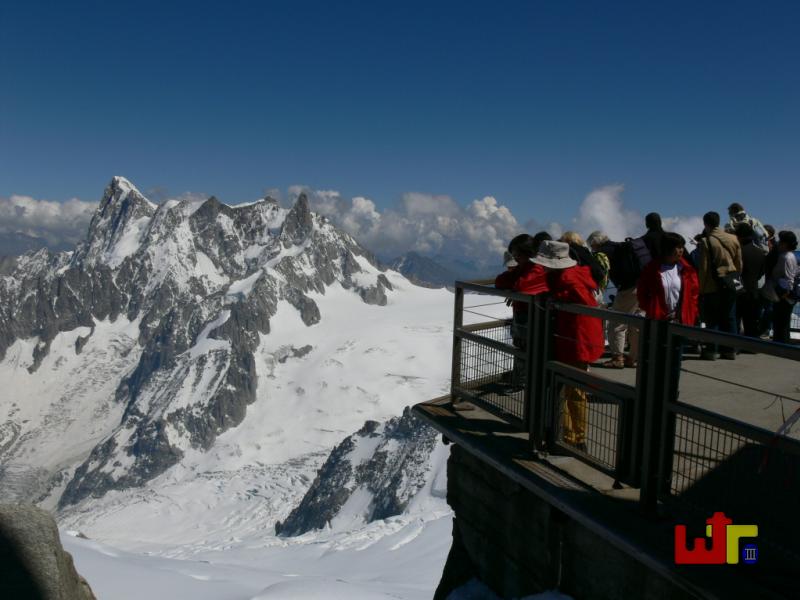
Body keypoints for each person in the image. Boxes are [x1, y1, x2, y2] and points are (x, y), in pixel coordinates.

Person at [532, 240, 605, 452]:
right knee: (571, 387)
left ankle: (572, 438)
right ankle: (571, 436)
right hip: (576, 336)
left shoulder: (567, 279)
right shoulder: (574, 274)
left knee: (572, 389)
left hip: (575, 338)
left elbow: (584, 302)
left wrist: (556, 298)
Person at [495, 233, 551, 388]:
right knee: (522, 348)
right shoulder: (525, 268)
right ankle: (522, 379)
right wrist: (515, 287)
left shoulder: (537, 268)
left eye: (517, 255)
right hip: (524, 316)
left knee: (526, 349)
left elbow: (522, 286)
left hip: (532, 317)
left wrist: (515, 288)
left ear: (527, 253)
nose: (515, 258)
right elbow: (500, 281)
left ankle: (523, 382)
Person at [697, 211, 743, 360]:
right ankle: (730, 350)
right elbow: (739, 264)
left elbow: (704, 269)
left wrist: (701, 289)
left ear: (705, 224)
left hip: (713, 286)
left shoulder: (706, 241)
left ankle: (712, 350)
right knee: (730, 317)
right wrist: (734, 278)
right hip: (731, 283)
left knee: (713, 319)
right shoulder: (733, 238)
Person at [637, 233, 699, 325]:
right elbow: (642, 293)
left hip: (682, 320)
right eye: (678, 247)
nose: (681, 250)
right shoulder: (651, 270)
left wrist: (691, 311)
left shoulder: (687, 270)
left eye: (682, 247)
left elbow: (694, 293)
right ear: (668, 248)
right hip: (658, 320)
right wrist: (652, 309)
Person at [762, 231, 798, 344]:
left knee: (780, 324)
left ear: (785, 244)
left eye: (781, 241)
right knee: (783, 324)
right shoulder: (790, 256)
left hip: (783, 296)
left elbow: (788, 280)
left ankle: (780, 346)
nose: (779, 243)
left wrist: (783, 295)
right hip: (784, 295)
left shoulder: (785, 257)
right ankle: (782, 345)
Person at [734, 223, 766, 337]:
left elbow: (734, 273)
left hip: (739, 292)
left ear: (739, 236)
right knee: (751, 323)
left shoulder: (738, 252)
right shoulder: (760, 252)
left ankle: (734, 344)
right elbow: (761, 273)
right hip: (753, 292)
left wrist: (738, 287)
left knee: (736, 321)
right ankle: (751, 345)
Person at [587, 231, 611, 298]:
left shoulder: (599, 255)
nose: (591, 247)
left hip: (598, 287)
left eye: (591, 244)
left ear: (596, 241)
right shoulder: (610, 249)